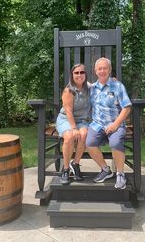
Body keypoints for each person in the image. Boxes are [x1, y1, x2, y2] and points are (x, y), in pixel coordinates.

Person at [86, 57, 132, 189]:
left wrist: (115, 125)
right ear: (95, 71)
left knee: (116, 142)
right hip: (97, 124)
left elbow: (127, 107)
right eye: (99, 69)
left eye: (105, 68)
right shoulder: (92, 88)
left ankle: (120, 173)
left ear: (110, 70)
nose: (102, 71)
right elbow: (77, 85)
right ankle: (105, 170)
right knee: (89, 143)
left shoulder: (118, 86)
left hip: (115, 123)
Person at [56, 64, 91, 185]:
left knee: (84, 134)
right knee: (70, 136)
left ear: (86, 75)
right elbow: (68, 112)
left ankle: (75, 164)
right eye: (76, 73)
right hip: (66, 119)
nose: (79, 75)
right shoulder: (68, 90)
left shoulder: (89, 87)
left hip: (82, 120)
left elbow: (102, 85)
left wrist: (112, 81)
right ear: (72, 75)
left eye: (82, 72)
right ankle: (65, 169)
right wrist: (74, 128)